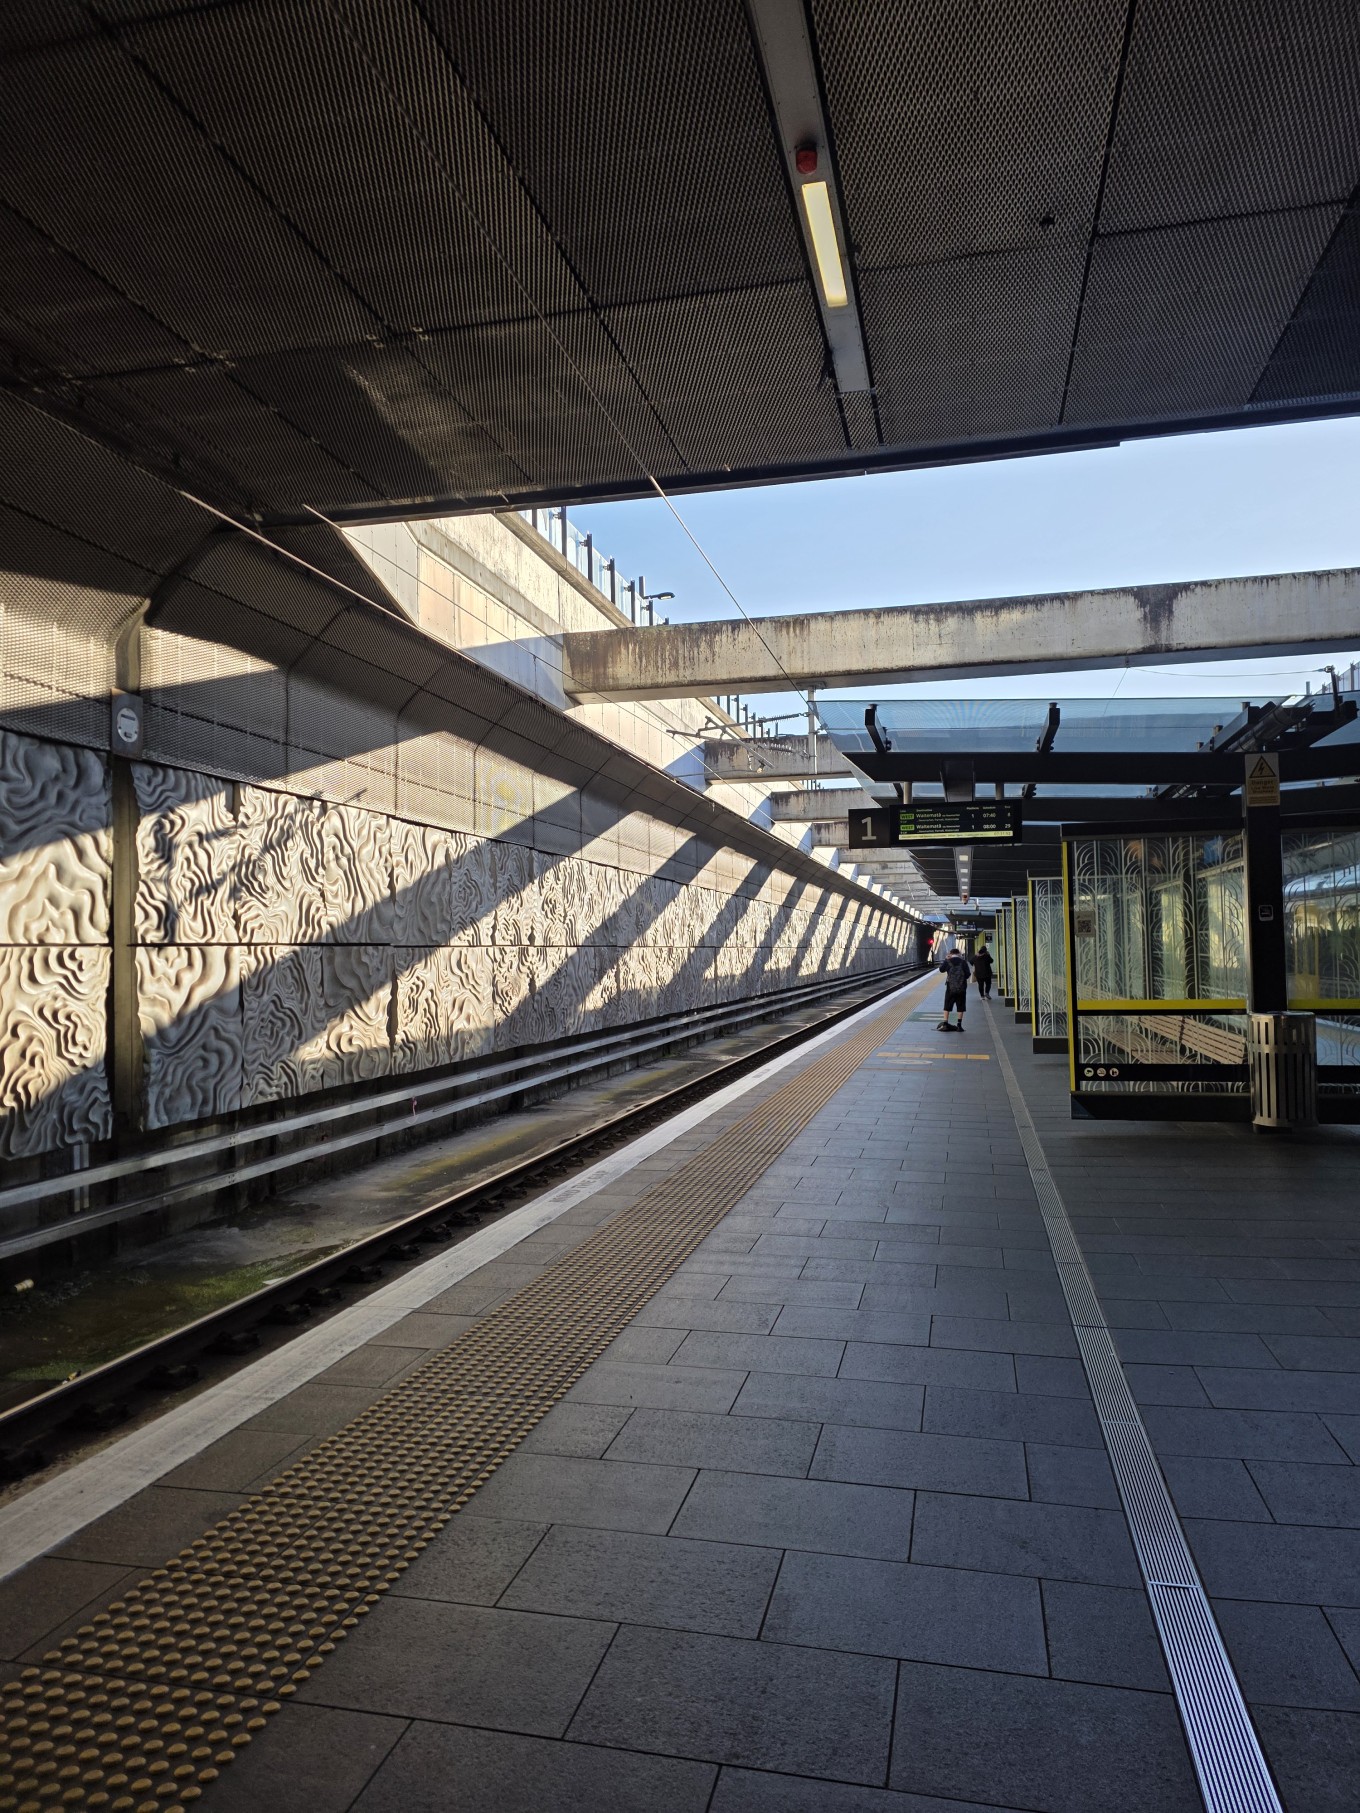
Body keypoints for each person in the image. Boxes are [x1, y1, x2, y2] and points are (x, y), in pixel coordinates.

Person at [937, 943, 971, 1033]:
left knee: (947, 1005)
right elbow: (968, 974)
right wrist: (960, 980)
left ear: (951, 954)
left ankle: (945, 1023)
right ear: (959, 953)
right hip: (961, 988)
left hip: (950, 988)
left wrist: (946, 959)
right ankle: (959, 1025)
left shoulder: (948, 961)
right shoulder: (963, 962)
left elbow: (941, 970)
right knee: (960, 1006)